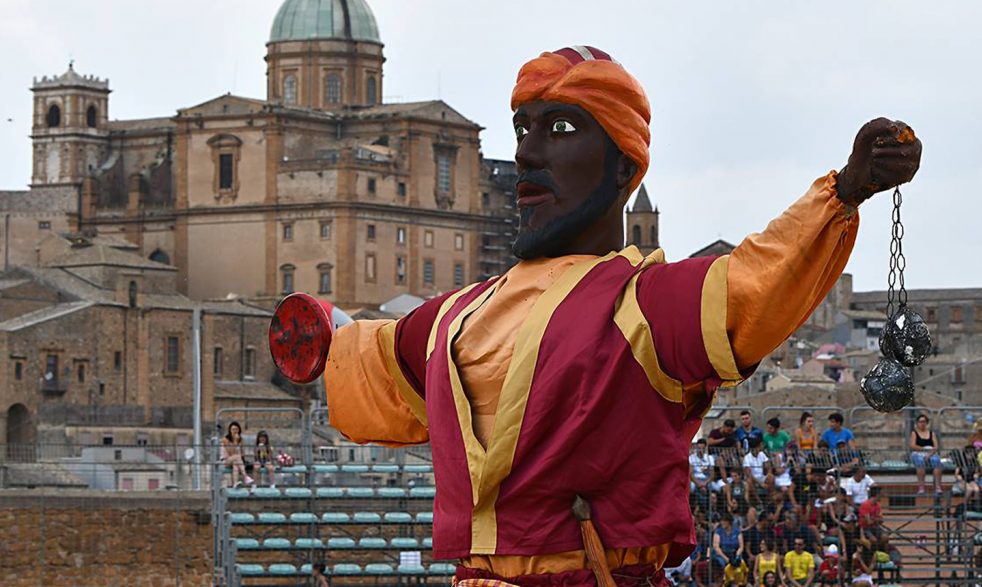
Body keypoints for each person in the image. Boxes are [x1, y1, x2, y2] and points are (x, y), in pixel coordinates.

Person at [268, 46, 922, 585]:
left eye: (558, 129)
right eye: (523, 130)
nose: (527, 154)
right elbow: (361, 350)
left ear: (623, 167)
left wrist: (844, 189)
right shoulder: (451, 319)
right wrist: (318, 328)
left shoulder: (642, 307)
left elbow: (758, 282)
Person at [909, 414, 942, 495]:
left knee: (937, 461)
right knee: (920, 462)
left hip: (931, 452)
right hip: (918, 452)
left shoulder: (932, 434)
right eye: (920, 422)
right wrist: (923, 449)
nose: (922, 423)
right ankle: (921, 487)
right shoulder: (914, 433)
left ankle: (937, 486)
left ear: (927, 423)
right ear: (917, 423)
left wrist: (930, 454)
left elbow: (936, 446)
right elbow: (912, 445)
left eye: (924, 421)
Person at [220, 421, 253, 488]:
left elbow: (242, 452)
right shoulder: (226, 439)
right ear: (230, 430)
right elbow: (230, 452)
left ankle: (235, 483)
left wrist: (241, 459)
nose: (235, 431)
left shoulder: (240, 439)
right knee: (236, 457)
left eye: (236, 429)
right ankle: (245, 476)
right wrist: (235, 440)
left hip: (237, 461)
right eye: (233, 429)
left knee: (236, 464)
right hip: (226, 460)